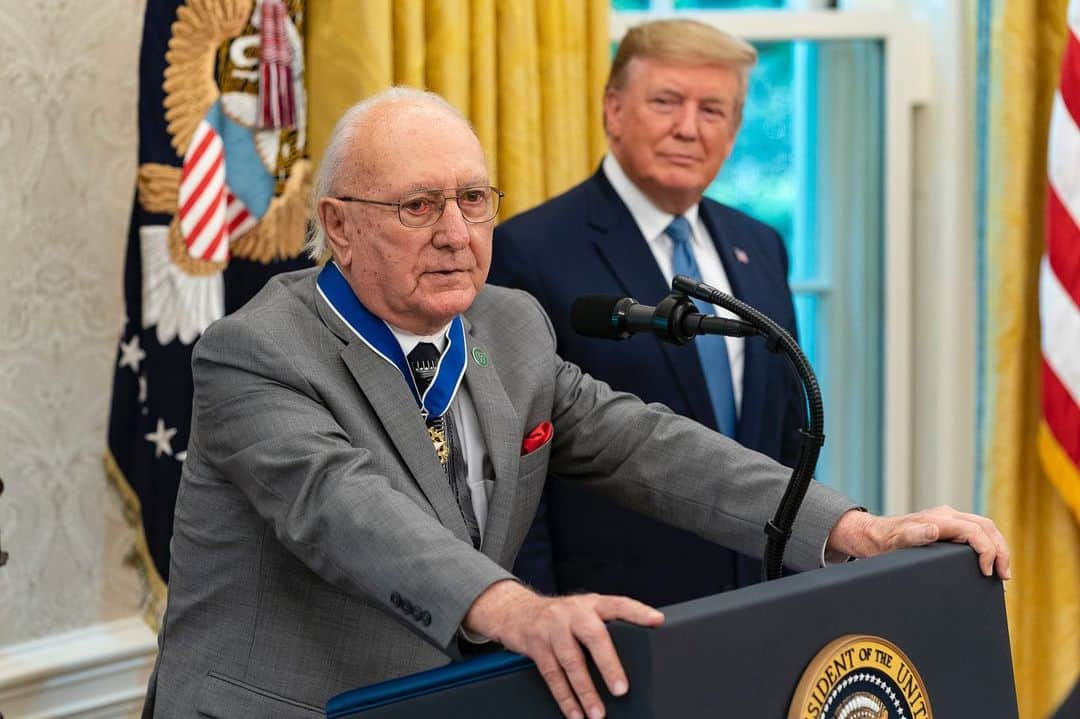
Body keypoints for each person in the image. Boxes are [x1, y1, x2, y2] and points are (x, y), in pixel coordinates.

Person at [142, 88, 1009, 719]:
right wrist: (516, 605)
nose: (456, 231)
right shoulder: (257, 352)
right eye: (417, 205)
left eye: (474, 199)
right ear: (338, 225)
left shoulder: (508, 324)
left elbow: (643, 442)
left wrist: (850, 528)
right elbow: (348, 511)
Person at [489, 19, 809, 603]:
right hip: (611, 617)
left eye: (713, 110)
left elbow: (786, 434)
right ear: (613, 111)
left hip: (760, 604)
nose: (688, 128)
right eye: (666, 102)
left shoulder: (761, 246)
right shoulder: (529, 252)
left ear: (735, 130)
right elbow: (513, 469)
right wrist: (541, 616)